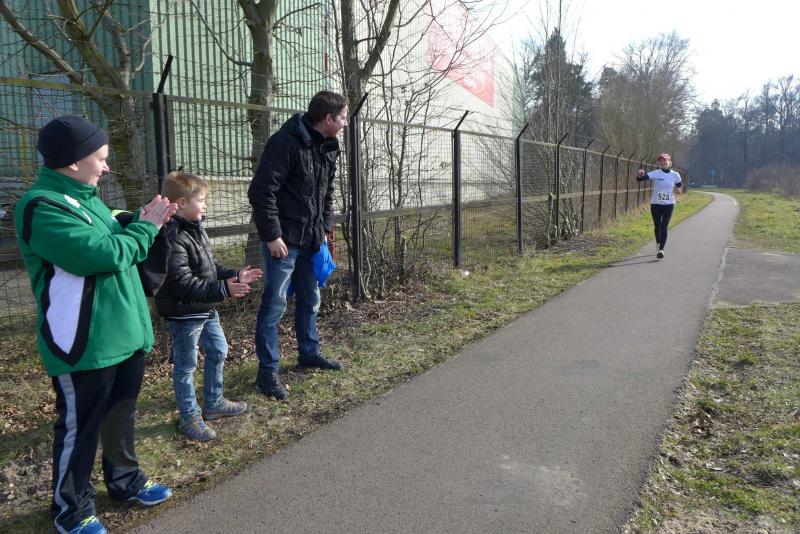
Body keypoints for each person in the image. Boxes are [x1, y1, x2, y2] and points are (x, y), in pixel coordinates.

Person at [14, 115, 177, 534]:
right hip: (83, 344)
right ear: (73, 161)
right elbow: (100, 254)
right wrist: (146, 227)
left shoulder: (88, 198)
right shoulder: (41, 206)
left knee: (120, 416)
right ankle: (71, 509)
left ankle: (125, 481)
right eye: (100, 158)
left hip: (125, 335)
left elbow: (113, 227)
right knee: (80, 428)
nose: (106, 167)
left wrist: (140, 218)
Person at [248, 90, 348, 399]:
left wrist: (325, 227)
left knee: (310, 298)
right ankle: (267, 372)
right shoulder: (285, 142)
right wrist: (271, 235)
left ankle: (309, 353)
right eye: (343, 118)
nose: (345, 123)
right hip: (284, 241)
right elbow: (261, 191)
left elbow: (327, 192)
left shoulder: (329, 146)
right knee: (275, 305)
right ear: (328, 118)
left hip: (312, 239)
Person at [155, 171, 262, 441]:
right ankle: (189, 417)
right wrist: (224, 289)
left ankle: (213, 403)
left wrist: (234, 276)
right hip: (184, 313)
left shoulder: (196, 228)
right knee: (186, 366)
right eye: (201, 200)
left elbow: (210, 267)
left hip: (204, 307)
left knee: (218, 350)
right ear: (181, 203)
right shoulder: (172, 236)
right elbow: (182, 283)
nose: (205, 205)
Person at [637, 153, 683, 259]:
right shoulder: (656, 173)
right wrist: (639, 175)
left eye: (664, 160)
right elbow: (640, 179)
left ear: (669, 162)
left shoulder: (675, 174)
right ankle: (658, 243)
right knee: (657, 226)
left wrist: (679, 190)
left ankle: (661, 250)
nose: (662, 162)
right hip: (656, 204)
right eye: (661, 161)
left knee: (664, 226)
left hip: (669, 204)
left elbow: (679, 185)